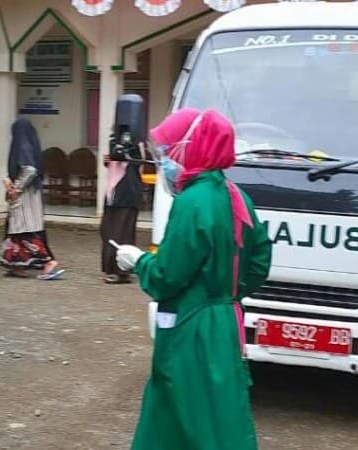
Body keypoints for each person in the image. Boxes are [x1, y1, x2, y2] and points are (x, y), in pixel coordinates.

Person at [114, 109, 273, 450]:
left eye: (170, 151)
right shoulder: (236, 196)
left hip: (191, 326)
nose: (167, 161)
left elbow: (166, 277)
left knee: (181, 415)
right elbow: (259, 261)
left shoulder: (192, 203)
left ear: (193, 147)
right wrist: (226, 292)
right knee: (222, 413)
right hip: (225, 323)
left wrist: (139, 260)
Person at [0, 118, 64, 280]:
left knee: (25, 231)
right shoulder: (29, 145)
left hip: (25, 196)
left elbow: (29, 169)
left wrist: (16, 188)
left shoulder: (22, 146)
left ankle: (48, 262)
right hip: (30, 194)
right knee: (19, 232)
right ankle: (18, 265)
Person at [100, 134, 145, 284]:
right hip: (112, 193)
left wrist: (125, 154)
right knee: (107, 231)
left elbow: (137, 162)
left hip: (127, 194)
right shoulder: (113, 139)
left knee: (122, 233)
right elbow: (112, 162)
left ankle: (121, 270)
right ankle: (110, 267)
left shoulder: (137, 142)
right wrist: (108, 160)